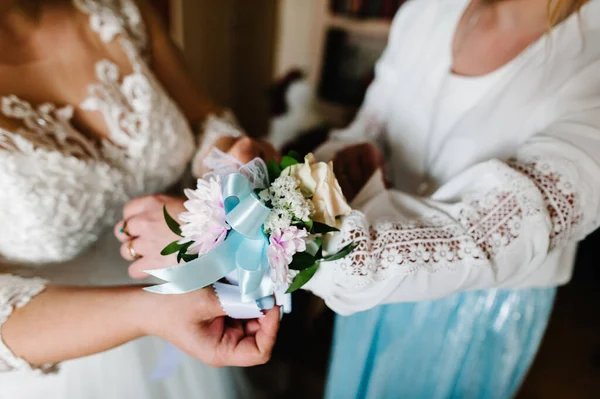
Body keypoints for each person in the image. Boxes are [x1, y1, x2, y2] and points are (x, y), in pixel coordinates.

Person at [124, 0, 600, 397]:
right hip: (361, 295)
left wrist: (235, 228)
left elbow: (478, 238)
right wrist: (286, 180)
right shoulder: (431, 9)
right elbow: (367, 130)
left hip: (473, 312)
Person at [0, 1, 279, 398]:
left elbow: (204, 120)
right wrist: (152, 310)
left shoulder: (119, 11)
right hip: (71, 359)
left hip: (198, 308)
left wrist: (227, 170)